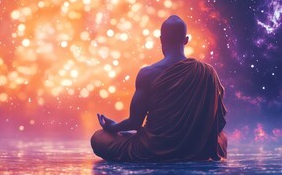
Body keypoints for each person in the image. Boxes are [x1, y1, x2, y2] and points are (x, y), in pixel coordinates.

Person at [91, 15, 227, 162]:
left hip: (153, 149)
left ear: (161, 39)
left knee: (98, 138)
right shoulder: (207, 72)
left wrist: (114, 127)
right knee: (222, 139)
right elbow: (218, 123)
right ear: (186, 40)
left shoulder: (148, 73)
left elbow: (135, 123)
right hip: (196, 150)